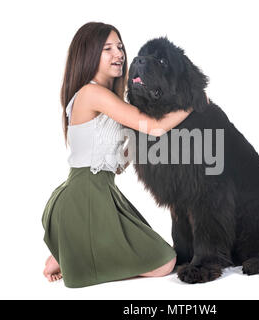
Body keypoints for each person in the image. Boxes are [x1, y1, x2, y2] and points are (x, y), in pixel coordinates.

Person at [41, 22, 192, 288]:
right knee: (165, 264)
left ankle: (72, 248)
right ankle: (75, 257)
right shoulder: (91, 93)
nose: (119, 54)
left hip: (102, 193)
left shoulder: (110, 96)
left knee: (168, 255)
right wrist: (193, 104)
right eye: (107, 48)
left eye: (120, 47)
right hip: (85, 195)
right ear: (88, 55)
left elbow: (125, 144)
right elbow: (153, 127)